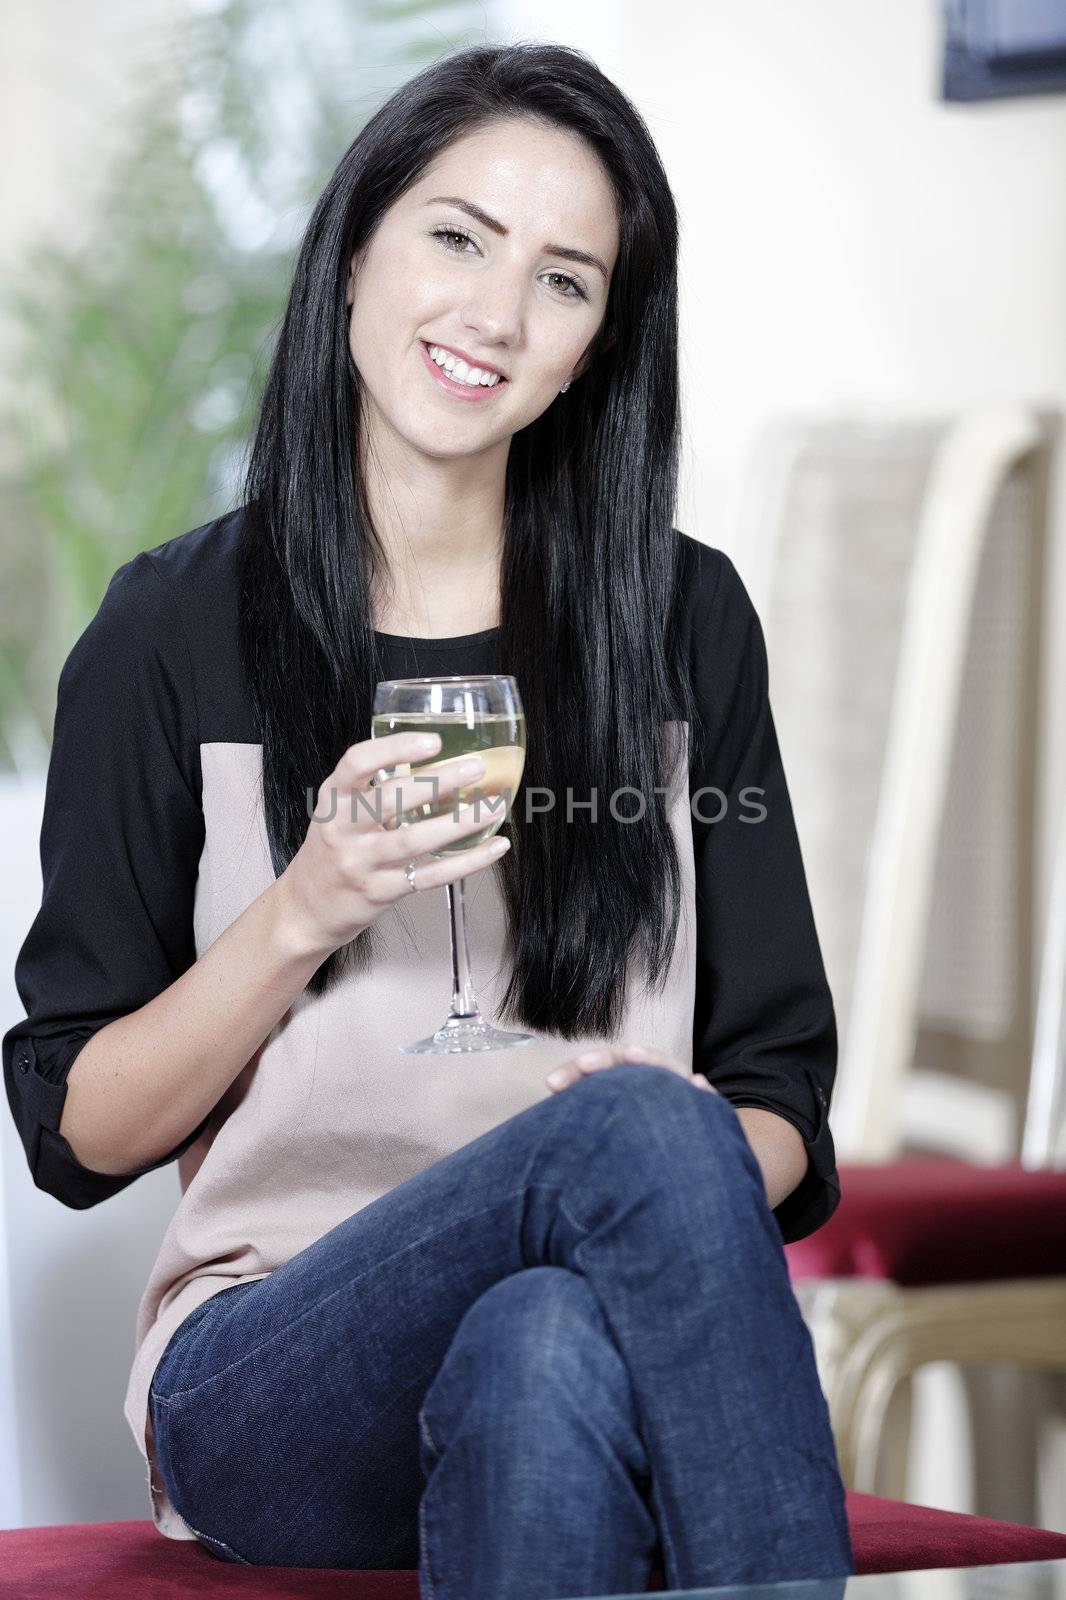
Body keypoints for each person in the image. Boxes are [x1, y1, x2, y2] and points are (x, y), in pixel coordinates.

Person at [2, 40, 853, 1599]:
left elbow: (785, 1114)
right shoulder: (169, 633)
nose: (494, 316)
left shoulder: (679, 620)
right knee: (623, 1143)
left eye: (564, 282)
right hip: (270, 1373)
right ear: (353, 253)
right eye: (457, 238)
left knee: (539, 1340)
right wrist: (305, 908)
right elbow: (76, 1130)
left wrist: (655, 1156)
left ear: (598, 343)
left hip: (589, 1339)